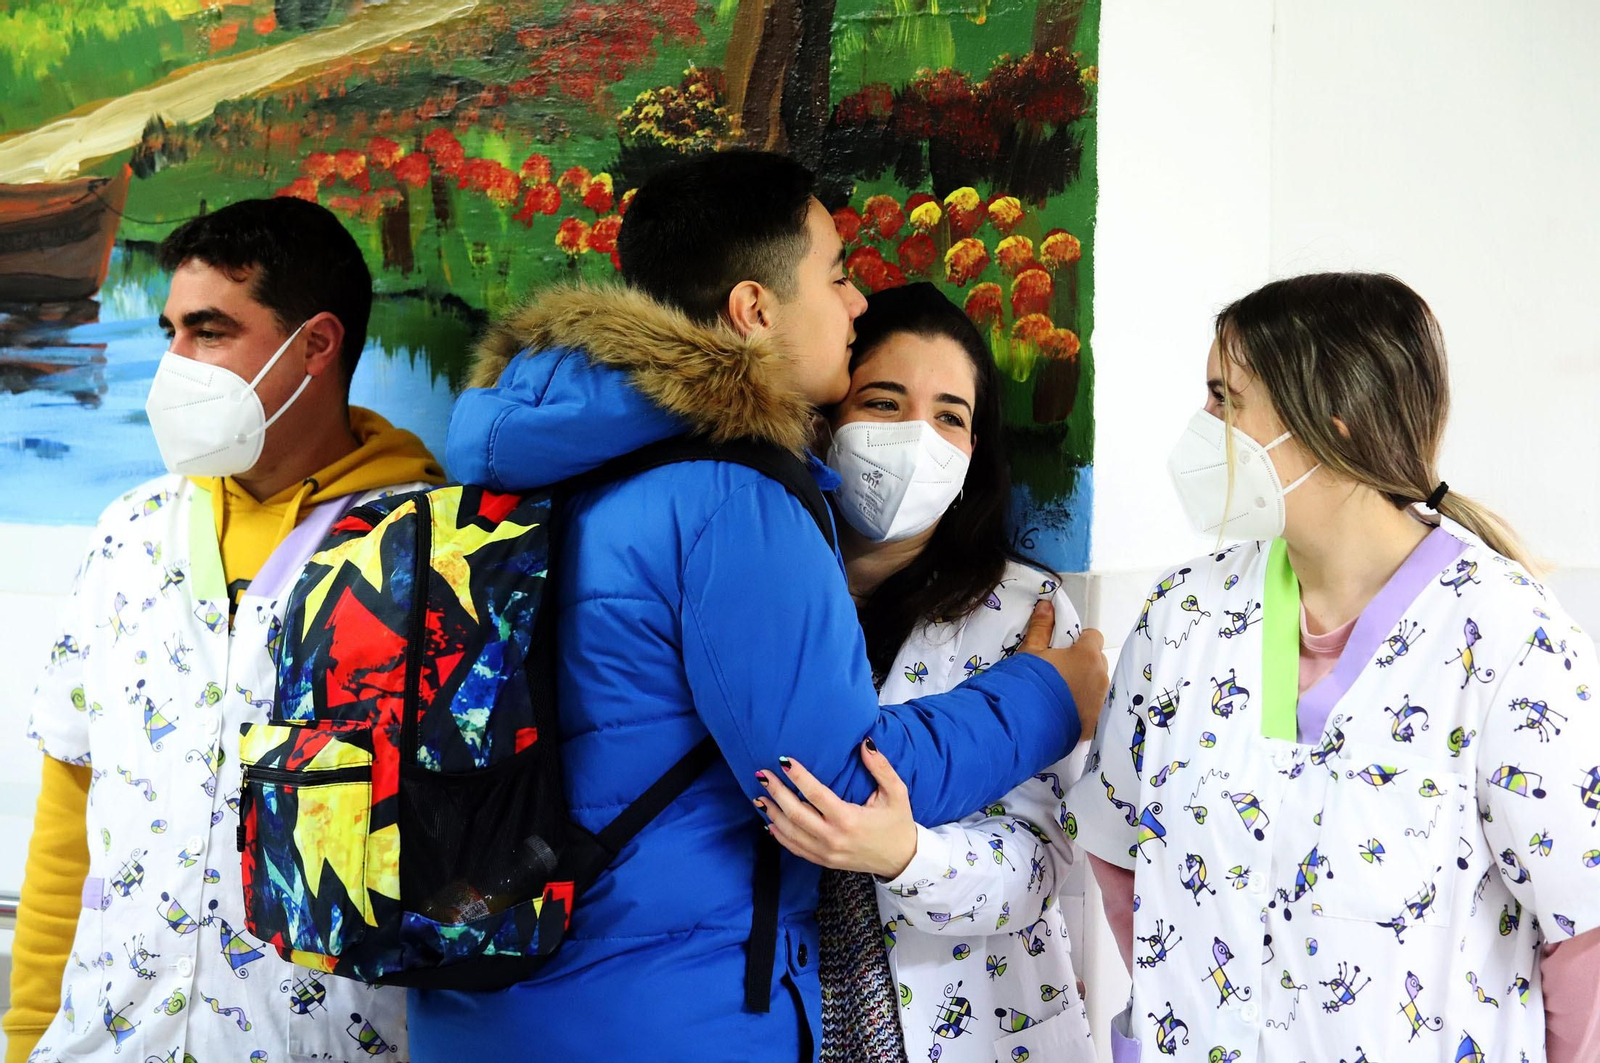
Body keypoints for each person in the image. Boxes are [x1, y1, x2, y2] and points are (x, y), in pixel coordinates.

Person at [408, 150, 1108, 1062]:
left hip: (482, 996)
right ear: (753, 309)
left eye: (950, 415)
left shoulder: (533, 464)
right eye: (839, 274)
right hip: (661, 1014)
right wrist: (1051, 695)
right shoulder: (733, 493)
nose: (857, 302)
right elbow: (831, 786)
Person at [1065, 272, 1600, 1063]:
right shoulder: (1183, 618)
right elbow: (1121, 854)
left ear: (1333, 424)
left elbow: (1583, 935)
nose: (1203, 425)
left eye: (1225, 398)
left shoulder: (1507, 639)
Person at [5, 198, 444, 1063]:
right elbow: (69, 808)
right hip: (107, 1042)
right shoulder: (130, 535)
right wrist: (24, 1037)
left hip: (324, 1043)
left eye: (209, 331)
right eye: (171, 329)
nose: (174, 365)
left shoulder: (433, 557)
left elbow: (483, 835)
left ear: (315, 344)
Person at [752, 282, 1097, 1063]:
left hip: (974, 1021)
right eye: (882, 401)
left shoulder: (1026, 612)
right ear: (825, 420)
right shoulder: (766, 590)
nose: (918, 437)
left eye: (949, 416)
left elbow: (1037, 861)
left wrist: (905, 852)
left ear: (974, 454)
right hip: (782, 1003)